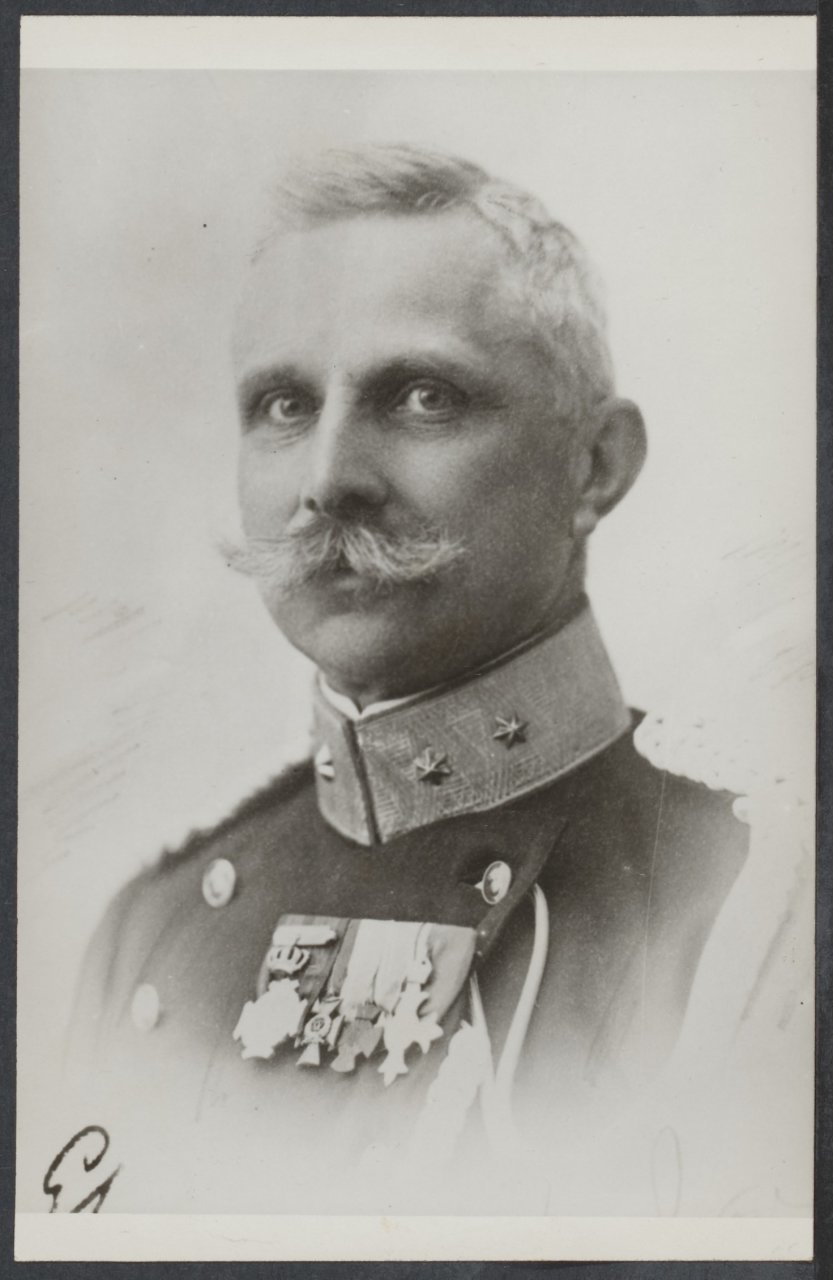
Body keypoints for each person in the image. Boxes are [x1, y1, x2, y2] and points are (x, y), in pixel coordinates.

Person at [57, 144, 810, 1217]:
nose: (327, 479)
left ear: (594, 465)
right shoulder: (150, 930)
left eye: (421, 396)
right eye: (283, 405)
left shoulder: (754, 902)